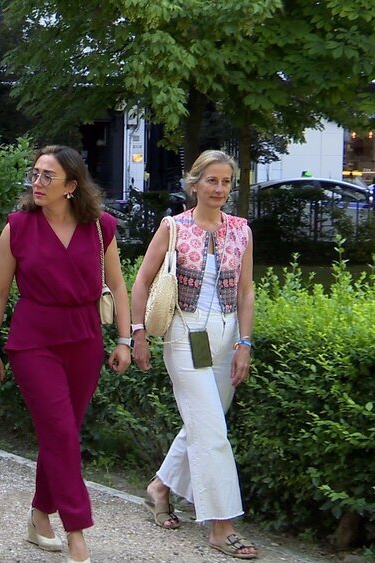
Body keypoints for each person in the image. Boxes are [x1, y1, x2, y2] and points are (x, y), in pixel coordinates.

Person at [0, 145, 132, 563]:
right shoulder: (18, 227)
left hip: (85, 338)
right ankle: (78, 533)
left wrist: (124, 339)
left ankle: (39, 515)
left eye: (48, 176)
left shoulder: (100, 226)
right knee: (62, 431)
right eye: (35, 174)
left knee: (61, 432)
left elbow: (117, 286)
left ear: (72, 185)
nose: (37, 182)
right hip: (34, 340)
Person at [130, 150, 257, 560]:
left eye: (226, 182)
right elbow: (142, 281)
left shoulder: (242, 231)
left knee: (204, 425)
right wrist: (138, 335)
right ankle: (222, 527)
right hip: (185, 332)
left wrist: (245, 343)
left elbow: (246, 292)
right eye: (212, 181)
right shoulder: (173, 226)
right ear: (195, 183)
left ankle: (160, 488)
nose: (220, 189)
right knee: (212, 433)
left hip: (225, 335)